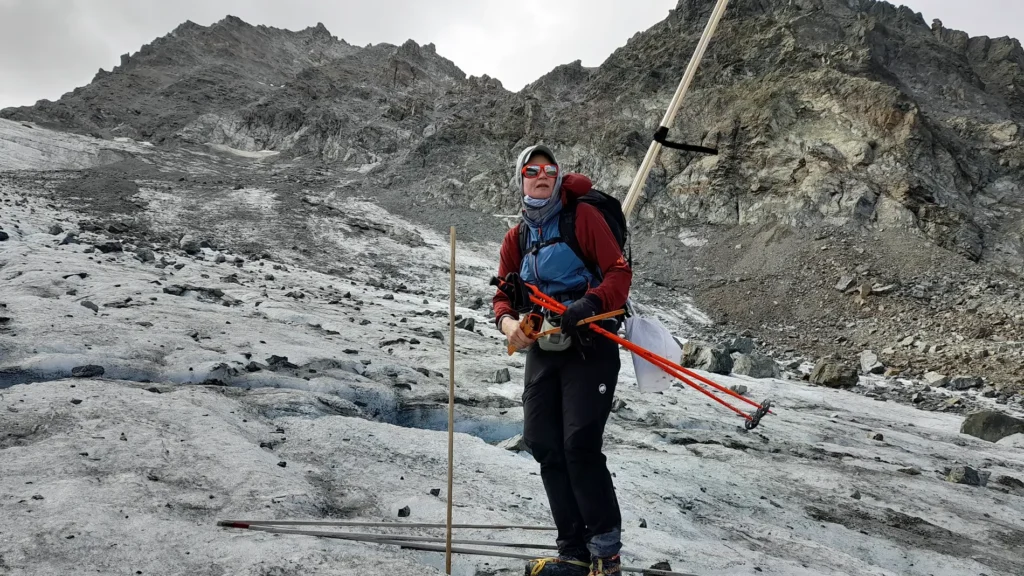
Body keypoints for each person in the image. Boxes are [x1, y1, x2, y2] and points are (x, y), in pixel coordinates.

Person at [492, 144, 632, 576]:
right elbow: (501, 296)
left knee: (579, 445)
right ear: (520, 179)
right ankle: (572, 551)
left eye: (549, 169)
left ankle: (605, 555)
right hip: (545, 347)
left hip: (591, 339)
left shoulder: (582, 218)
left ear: (557, 176)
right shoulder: (516, 237)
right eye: (531, 170)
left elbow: (618, 274)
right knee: (543, 442)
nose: (541, 175)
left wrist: (588, 304)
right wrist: (509, 325)